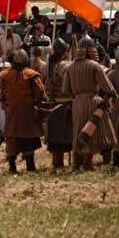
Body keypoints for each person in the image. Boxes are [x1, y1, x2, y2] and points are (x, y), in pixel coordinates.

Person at [62, 36, 117, 170]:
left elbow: (65, 90)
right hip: (92, 101)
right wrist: (114, 94)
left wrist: (77, 96)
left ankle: (76, 164)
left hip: (77, 102)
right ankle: (87, 164)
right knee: (90, 131)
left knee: (78, 132)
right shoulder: (94, 65)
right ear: (91, 50)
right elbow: (106, 86)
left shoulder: (70, 67)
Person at [0, 49, 46, 173]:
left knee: (12, 138)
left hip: (12, 112)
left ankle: (12, 167)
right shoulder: (32, 75)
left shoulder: (4, 75)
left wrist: (4, 103)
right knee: (28, 137)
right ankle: (30, 166)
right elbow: (41, 93)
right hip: (27, 112)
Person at [44, 39, 73, 170]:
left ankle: (56, 162)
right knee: (64, 135)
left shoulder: (46, 65)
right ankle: (59, 163)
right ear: (64, 52)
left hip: (52, 103)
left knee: (55, 136)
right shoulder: (64, 66)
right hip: (65, 103)